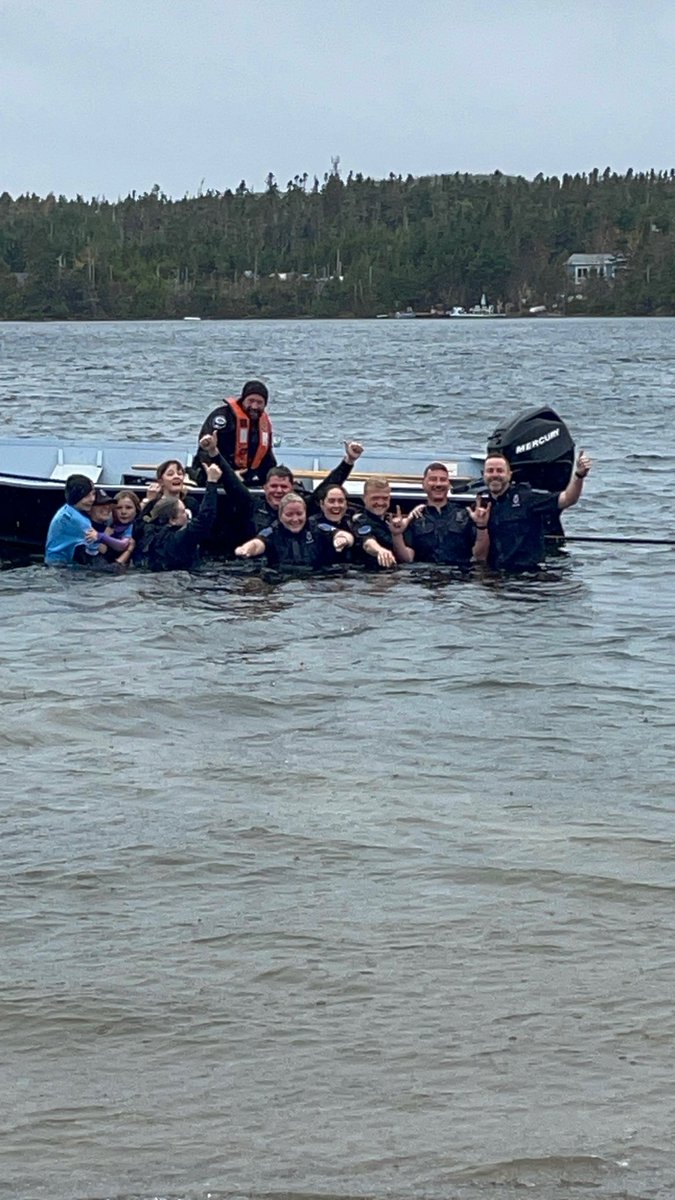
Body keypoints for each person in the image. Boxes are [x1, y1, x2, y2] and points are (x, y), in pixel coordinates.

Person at [481, 448, 592, 571]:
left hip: (528, 573)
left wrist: (579, 476)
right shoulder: (479, 503)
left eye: (500, 471)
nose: (495, 475)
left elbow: (567, 499)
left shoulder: (527, 498)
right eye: (490, 471)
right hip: (495, 574)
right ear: (483, 474)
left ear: (509, 475)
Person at [389, 462, 489, 566]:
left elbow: (480, 557)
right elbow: (407, 558)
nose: (438, 484)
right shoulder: (414, 518)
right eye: (433, 479)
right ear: (423, 484)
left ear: (449, 484)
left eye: (443, 480)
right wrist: (396, 535)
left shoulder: (465, 515)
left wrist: (482, 527)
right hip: (424, 574)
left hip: (458, 575)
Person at [235, 492, 353, 570]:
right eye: (289, 514)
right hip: (281, 580)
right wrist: (246, 549)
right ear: (280, 516)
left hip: (315, 579)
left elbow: (344, 535)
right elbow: (258, 543)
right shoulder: (273, 531)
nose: (295, 519)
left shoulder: (317, 528)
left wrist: (342, 539)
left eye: (299, 514)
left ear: (305, 513)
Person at [143, 461, 223, 571]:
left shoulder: (150, 531)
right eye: (183, 512)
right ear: (172, 520)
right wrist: (211, 482)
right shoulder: (182, 537)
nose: (187, 514)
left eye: (180, 473)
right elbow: (205, 517)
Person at [195, 380, 275, 486]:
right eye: (251, 401)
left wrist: (275, 477)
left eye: (259, 402)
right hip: (215, 476)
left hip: (246, 478)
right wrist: (228, 476)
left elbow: (267, 458)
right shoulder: (222, 417)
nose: (254, 406)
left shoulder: (264, 424)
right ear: (243, 400)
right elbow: (204, 453)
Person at [44, 474, 103, 566]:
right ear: (76, 496)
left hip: (52, 561)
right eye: (86, 496)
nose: (92, 499)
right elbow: (95, 549)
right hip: (60, 566)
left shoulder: (66, 510)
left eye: (93, 494)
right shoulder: (76, 520)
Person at [350, 478, 397, 569]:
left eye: (385, 498)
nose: (380, 502)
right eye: (375, 498)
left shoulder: (390, 521)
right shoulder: (360, 521)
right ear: (364, 498)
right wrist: (380, 551)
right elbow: (367, 543)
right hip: (369, 573)